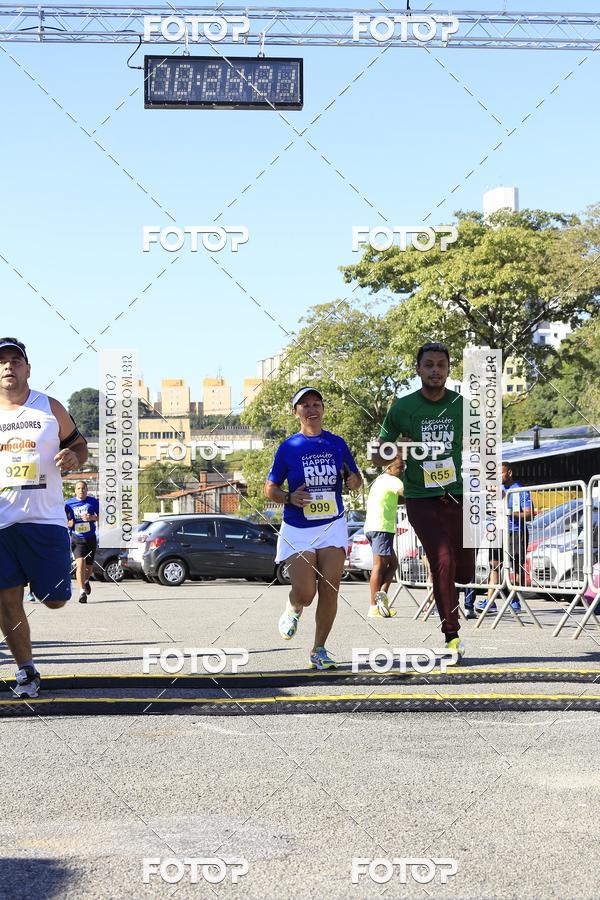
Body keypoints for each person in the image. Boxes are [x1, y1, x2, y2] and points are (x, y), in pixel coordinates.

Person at [370, 341, 475, 660]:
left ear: (448, 370)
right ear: (418, 370)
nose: (435, 370)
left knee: (464, 569)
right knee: (442, 559)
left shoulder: (462, 405)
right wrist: (398, 450)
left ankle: (456, 581)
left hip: (455, 495)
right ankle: (451, 634)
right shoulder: (403, 407)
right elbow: (377, 454)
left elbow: (482, 443)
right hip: (419, 497)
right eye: (428, 365)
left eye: (441, 365)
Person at [0, 337, 87, 698]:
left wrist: (74, 458)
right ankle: (26, 671)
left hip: (45, 520)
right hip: (2, 523)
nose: (8, 367)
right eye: (1, 362)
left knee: (54, 598)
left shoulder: (49, 407)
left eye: (15, 361)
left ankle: (41, 583)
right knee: (7, 599)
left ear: (27, 369)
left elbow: (79, 444)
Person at [265, 387, 362, 669]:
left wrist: (353, 480)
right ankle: (294, 606)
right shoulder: (289, 447)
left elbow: (354, 478)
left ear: (323, 409)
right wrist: (288, 497)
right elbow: (269, 488)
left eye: (316, 404)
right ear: (296, 412)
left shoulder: (337, 443)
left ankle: (318, 650)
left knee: (330, 588)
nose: (311, 409)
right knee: (307, 593)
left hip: (332, 524)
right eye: (304, 405)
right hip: (299, 527)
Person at [479, 462, 533, 614]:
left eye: (500, 474)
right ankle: (490, 602)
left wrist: (510, 512)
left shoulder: (520, 490)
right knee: (494, 565)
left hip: (516, 532)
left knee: (516, 566)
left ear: (509, 473)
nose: (497, 477)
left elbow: (529, 514)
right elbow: (491, 512)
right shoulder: (496, 489)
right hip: (499, 531)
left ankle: (515, 600)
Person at [363, 456, 404, 618]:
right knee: (379, 566)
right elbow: (406, 492)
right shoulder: (392, 481)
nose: (402, 471)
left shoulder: (380, 480)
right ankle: (373, 607)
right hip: (381, 528)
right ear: (389, 468)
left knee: (393, 564)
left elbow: (399, 499)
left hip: (373, 527)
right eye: (400, 468)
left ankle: (382, 598)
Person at [65, 480, 100, 603]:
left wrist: (92, 518)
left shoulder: (93, 502)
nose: (81, 490)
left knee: (89, 567)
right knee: (80, 564)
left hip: (90, 537)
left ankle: (86, 581)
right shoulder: (68, 503)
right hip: (76, 538)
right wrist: (68, 523)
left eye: (83, 488)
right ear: (75, 490)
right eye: (79, 488)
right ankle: (82, 592)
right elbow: (62, 518)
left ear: (87, 490)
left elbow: (103, 516)